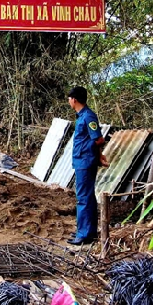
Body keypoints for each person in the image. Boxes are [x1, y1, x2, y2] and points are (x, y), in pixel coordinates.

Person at [67, 86, 106, 245]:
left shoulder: (88, 117)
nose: (69, 101)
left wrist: (98, 155)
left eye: (69, 99)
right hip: (82, 160)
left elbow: (98, 139)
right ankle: (86, 231)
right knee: (86, 197)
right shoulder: (81, 116)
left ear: (74, 99)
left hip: (85, 161)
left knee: (83, 197)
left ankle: (84, 234)